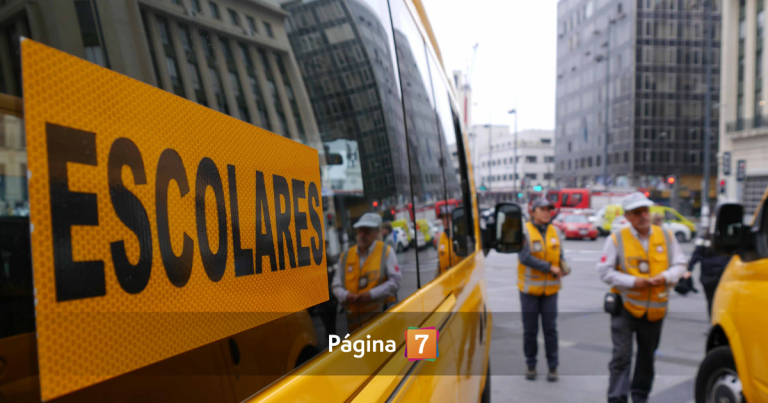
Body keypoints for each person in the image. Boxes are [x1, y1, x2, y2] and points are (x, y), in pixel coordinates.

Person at [597, 192, 688, 403]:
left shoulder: (666, 236)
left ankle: (640, 397)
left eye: (645, 211)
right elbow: (604, 270)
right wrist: (632, 281)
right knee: (621, 357)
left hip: (655, 310)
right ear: (627, 216)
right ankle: (617, 398)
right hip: (625, 308)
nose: (643, 216)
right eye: (636, 212)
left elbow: (681, 263)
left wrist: (666, 276)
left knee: (647, 358)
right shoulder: (616, 239)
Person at [518, 198, 569, 382]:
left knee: (550, 330)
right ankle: (531, 364)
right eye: (542, 209)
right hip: (529, 290)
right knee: (530, 331)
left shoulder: (555, 231)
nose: (547, 212)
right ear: (532, 212)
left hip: (551, 291)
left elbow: (560, 254)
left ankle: (552, 366)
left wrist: (563, 267)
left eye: (549, 209)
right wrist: (550, 268)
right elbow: (524, 257)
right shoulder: (524, 231)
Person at [332, 213, 402, 332]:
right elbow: (336, 285)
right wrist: (345, 295)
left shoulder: (386, 252)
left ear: (376, 233)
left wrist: (371, 294)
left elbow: (395, 282)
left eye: (367, 231)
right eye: (360, 231)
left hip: (381, 326)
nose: (362, 235)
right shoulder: (345, 257)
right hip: (355, 330)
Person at [679, 229, 730, 319]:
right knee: (719, 301)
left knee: (712, 301)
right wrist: (689, 269)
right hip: (721, 275)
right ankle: (717, 323)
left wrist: (689, 269)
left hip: (711, 275)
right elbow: (696, 254)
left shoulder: (705, 237)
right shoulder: (729, 236)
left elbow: (696, 254)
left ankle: (714, 323)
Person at [436, 212, 458, 278]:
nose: (445, 220)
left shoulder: (458, 235)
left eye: (448, 218)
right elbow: (439, 262)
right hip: (444, 279)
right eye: (444, 218)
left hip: (457, 276)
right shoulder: (440, 237)